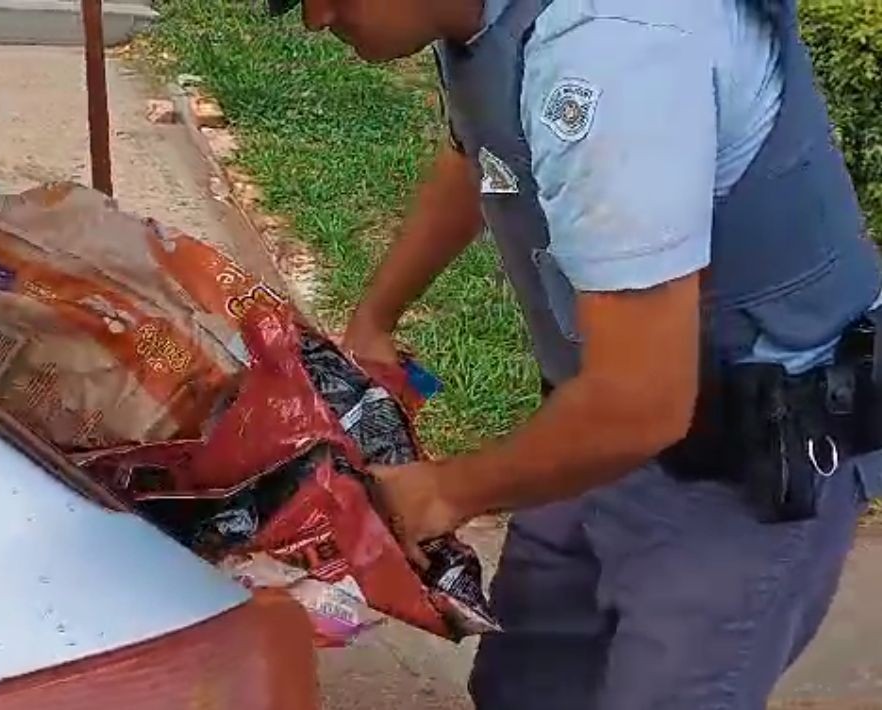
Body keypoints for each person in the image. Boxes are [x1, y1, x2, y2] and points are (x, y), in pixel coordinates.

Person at [266, 0, 882, 707]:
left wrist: (446, 491)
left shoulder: (619, 53)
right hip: (597, 423)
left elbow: (640, 407)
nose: (315, 18)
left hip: (746, 464)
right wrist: (375, 318)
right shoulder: (477, 19)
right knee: (525, 684)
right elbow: (484, 145)